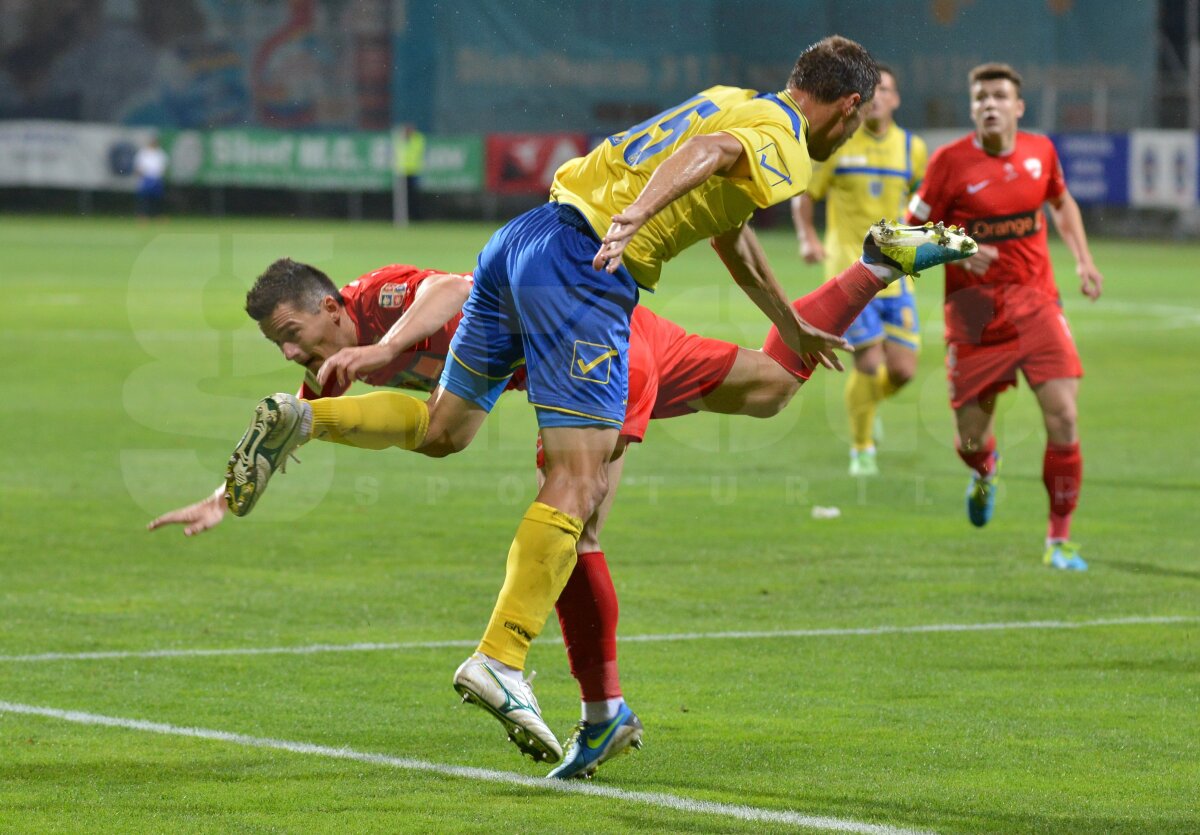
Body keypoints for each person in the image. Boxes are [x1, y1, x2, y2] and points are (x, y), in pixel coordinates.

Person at [219, 35, 975, 768]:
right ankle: (504, 656)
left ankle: (875, 262)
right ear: (847, 108)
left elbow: (728, 225)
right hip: (588, 273)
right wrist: (638, 217)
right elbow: (702, 158)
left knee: (459, 428)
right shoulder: (782, 133)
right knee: (577, 496)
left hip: (525, 241)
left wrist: (786, 319)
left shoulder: (736, 101)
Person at [151, 221, 977, 776]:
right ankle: (877, 261)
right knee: (767, 390)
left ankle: (578, 695)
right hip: (605, 340)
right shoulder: (325, 368)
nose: (291, 348)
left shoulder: (376, 303)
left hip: (589, 342)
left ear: (334, 307)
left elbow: (451, 282)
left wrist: (388, 348)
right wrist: (228, 494)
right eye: (278, 344)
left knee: (568, 505)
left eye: (294, 332)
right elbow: (308, 419)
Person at [905, 63, 1103, 571]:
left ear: (1018, 107)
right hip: (973, 316)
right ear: (972, 108)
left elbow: (1062, 204)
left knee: (1064, 416)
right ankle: (985, 470)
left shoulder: (1042, 152)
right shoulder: (949, 163)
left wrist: (1082, 258)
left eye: (998, 96)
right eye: (980, 97)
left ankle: (1059, 539)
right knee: (970, 438)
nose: (989, 104)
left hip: (1038, 304)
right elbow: (901, 234)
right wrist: (956, 247)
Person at [791, 64, 928, 476]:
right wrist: (806, 238)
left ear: (897, 99)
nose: (881, 97)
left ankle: (866, 408)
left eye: (888, 90)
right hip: (849, 271)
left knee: (902, 371)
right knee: (868, 364)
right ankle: (862, 447)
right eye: (875, 91)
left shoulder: (912, 149)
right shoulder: (840, 143)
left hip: (897, 271)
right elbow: (806, 195)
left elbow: (925, 198)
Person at [134, 134, 168, 220]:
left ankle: (157, 215)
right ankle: (142, 215)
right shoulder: (143, 152)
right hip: (146, 178)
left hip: (157, 178)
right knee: (144, 198)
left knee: (157, 198)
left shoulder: (160, 153)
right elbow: (138, 166)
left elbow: (164, 167)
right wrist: (142, 176)